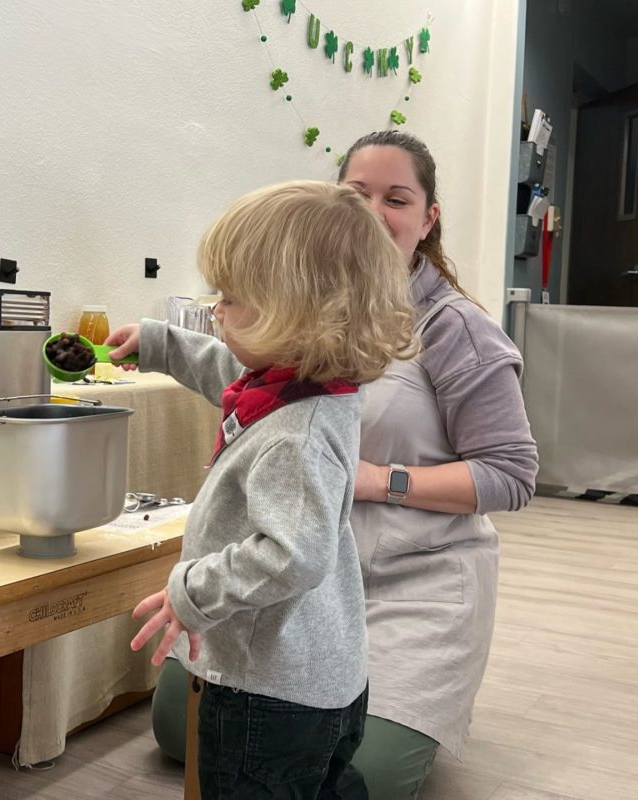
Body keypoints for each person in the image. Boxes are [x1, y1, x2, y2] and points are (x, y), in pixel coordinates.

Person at [144, 130, 540, 800]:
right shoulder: (318, 342)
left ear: (428, 217)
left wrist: (377, 480)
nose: (375, 213)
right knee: (183, 729)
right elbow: (238, 373)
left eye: (396, 198)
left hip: (404, 577)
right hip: (316, 584)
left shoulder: (453, 332)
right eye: (358, 196)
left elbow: (511, 474)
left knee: (347, 766)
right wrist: (159, 343)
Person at [112, 179, 420, 799]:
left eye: (231, 299)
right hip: (321, 679)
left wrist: (194, 593)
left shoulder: (294, 437)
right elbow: (230, 370)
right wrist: (162, 344)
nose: (217, 311)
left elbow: (290, 556)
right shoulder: (311, 386)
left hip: (268, 694)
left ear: (298, 316)